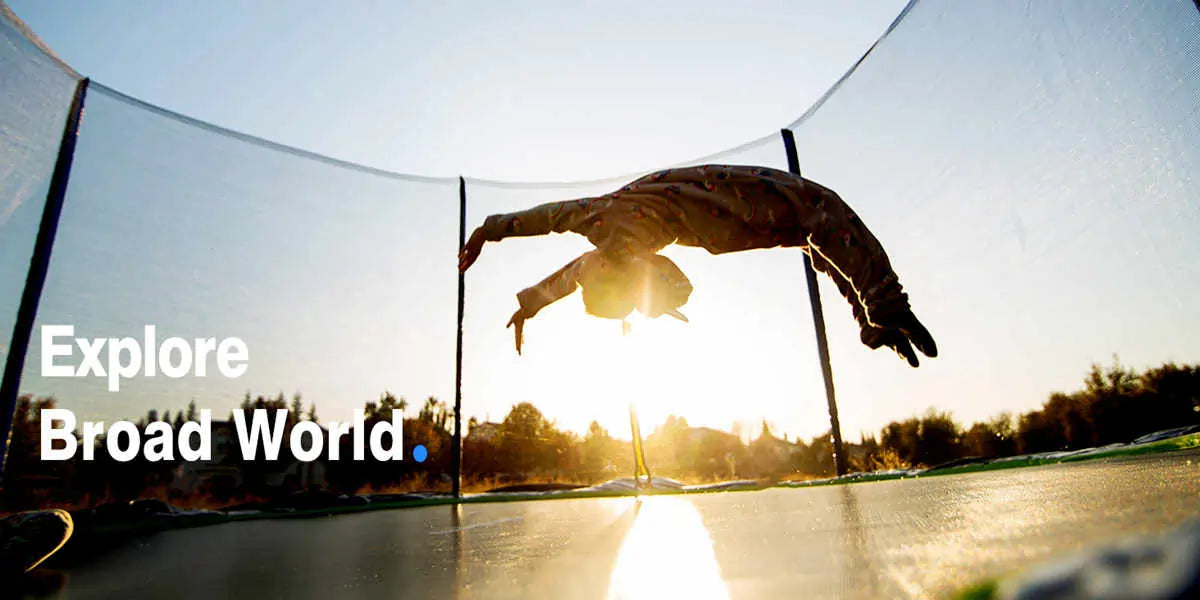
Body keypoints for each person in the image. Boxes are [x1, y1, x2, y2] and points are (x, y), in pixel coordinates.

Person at [458, 164, 937, 367]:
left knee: (815, 209)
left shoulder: (598, 220)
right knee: (808, 235)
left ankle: (883, 308)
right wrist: (532, 306)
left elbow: (545, 219)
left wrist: (486, 230)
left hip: (717, 195)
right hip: (715, 226)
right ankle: (876, 320)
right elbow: (571, 275)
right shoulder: (608, 262)